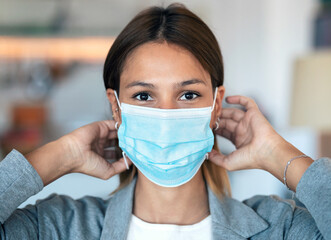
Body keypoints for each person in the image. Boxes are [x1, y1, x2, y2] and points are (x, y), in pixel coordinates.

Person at [0, 3, 330, 240]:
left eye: (188, 95)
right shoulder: (59, 227)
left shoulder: (279, 228)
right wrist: (56, 156)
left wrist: (279, 155)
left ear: (216, 105)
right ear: (116, 107)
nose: (166, 115)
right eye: (144, 96)